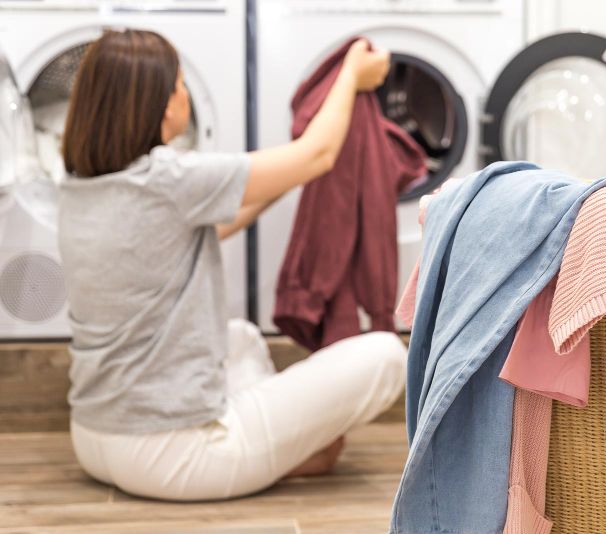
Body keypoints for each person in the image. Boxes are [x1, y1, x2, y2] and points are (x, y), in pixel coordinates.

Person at [58, 29, 406, 501]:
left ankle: (278, 450)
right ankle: (281, 456)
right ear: (163, 105)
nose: (185, 93)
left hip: (94, 439)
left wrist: (285, 177)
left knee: (239, 336)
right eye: (181, 83)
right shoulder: (169, 178)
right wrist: (350, 73)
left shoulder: (83, 187)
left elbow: (219, 223)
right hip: (176, 456)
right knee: (386, 353)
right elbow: (320, 155)